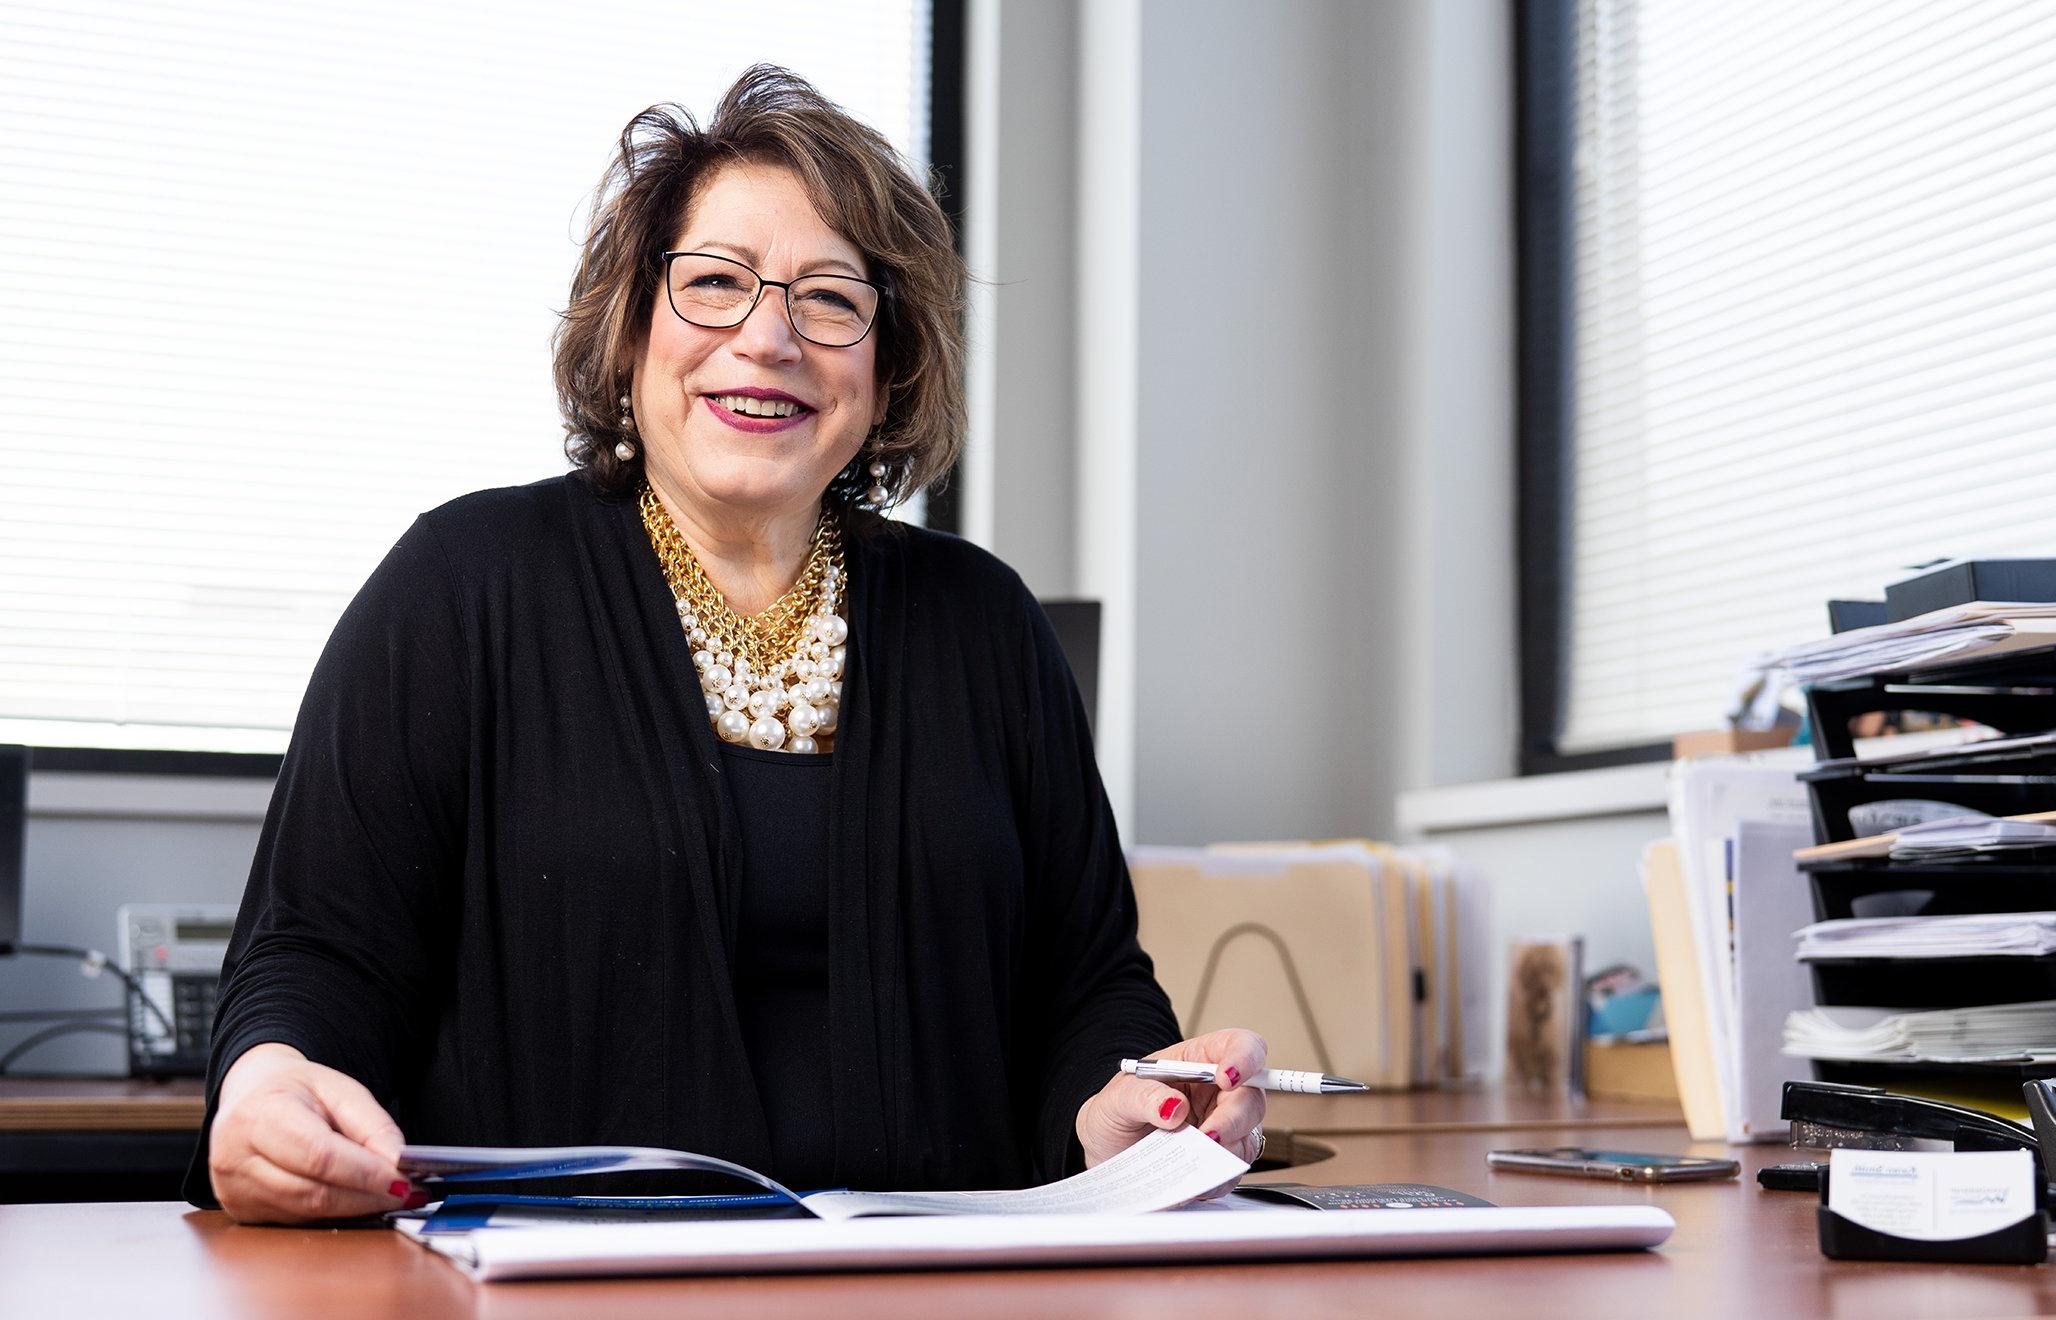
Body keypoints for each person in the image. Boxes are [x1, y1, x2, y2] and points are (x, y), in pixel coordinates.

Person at [187, 65, 1266, 1225]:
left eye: (830, 300)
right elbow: (316, 954)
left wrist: (1125, 1111)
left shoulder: (985, 622)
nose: (767, 337)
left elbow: (1087, 981)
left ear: (888, 359)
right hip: (553, 1287)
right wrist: (268, 1080)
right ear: (632, 324)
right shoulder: (460, 585)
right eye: (713, 284)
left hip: (938, 1291)